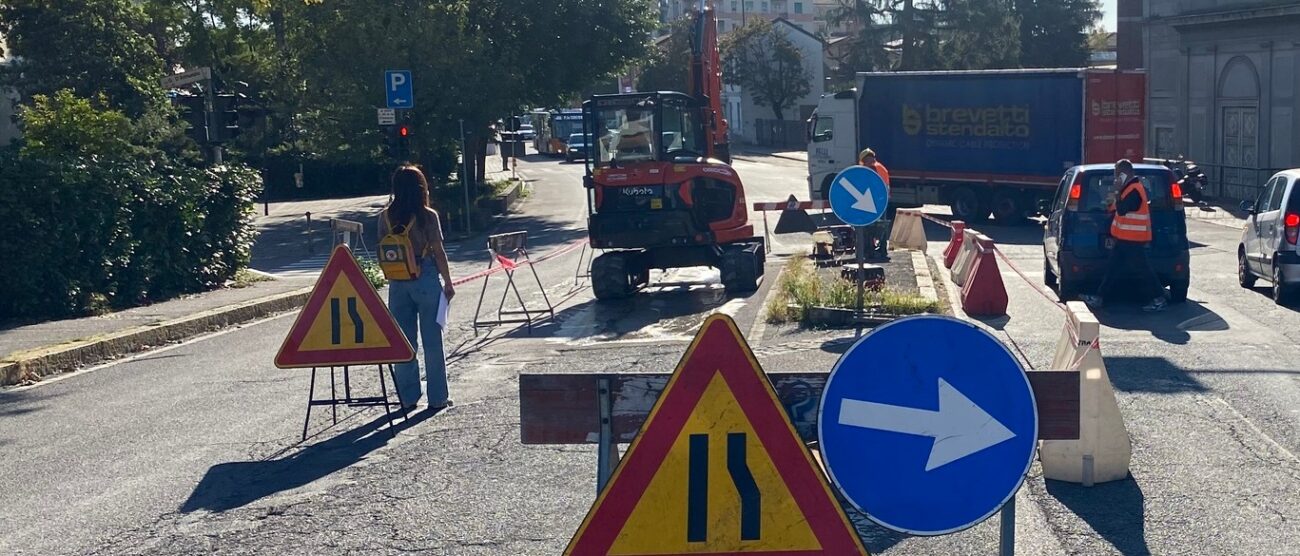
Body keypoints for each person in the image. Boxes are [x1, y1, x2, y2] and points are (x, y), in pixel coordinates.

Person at [379, 165, 456, 411]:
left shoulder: (386, 217)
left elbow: (381, 250)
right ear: (421, 187)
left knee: (404, 341)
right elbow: (438, 251)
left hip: (398, 283)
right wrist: (448, 282)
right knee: (432, 341)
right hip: (425, 279)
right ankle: (437, 398)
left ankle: (408, 397)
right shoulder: (427, 215)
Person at [1081, 159, 1166, 312]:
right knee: (1113, 268)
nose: (1115, 178)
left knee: (1143, 269)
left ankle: (1158, 298)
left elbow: (1122, 209)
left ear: (1124, 174)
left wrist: (1118, 192)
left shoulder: (1134, 189)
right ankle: (1099, 297)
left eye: (1116, 174)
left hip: (1133, 238)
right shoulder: (1130, 188)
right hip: (1125, 238)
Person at [859, 147, 892, 259]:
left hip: (872, 202)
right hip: (883, 201)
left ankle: (869, 251)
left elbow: (868, 186)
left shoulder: (871, 168)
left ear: (865, 160)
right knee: (881, 226)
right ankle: (882, 250)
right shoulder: (881, 167)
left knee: (869, 227)